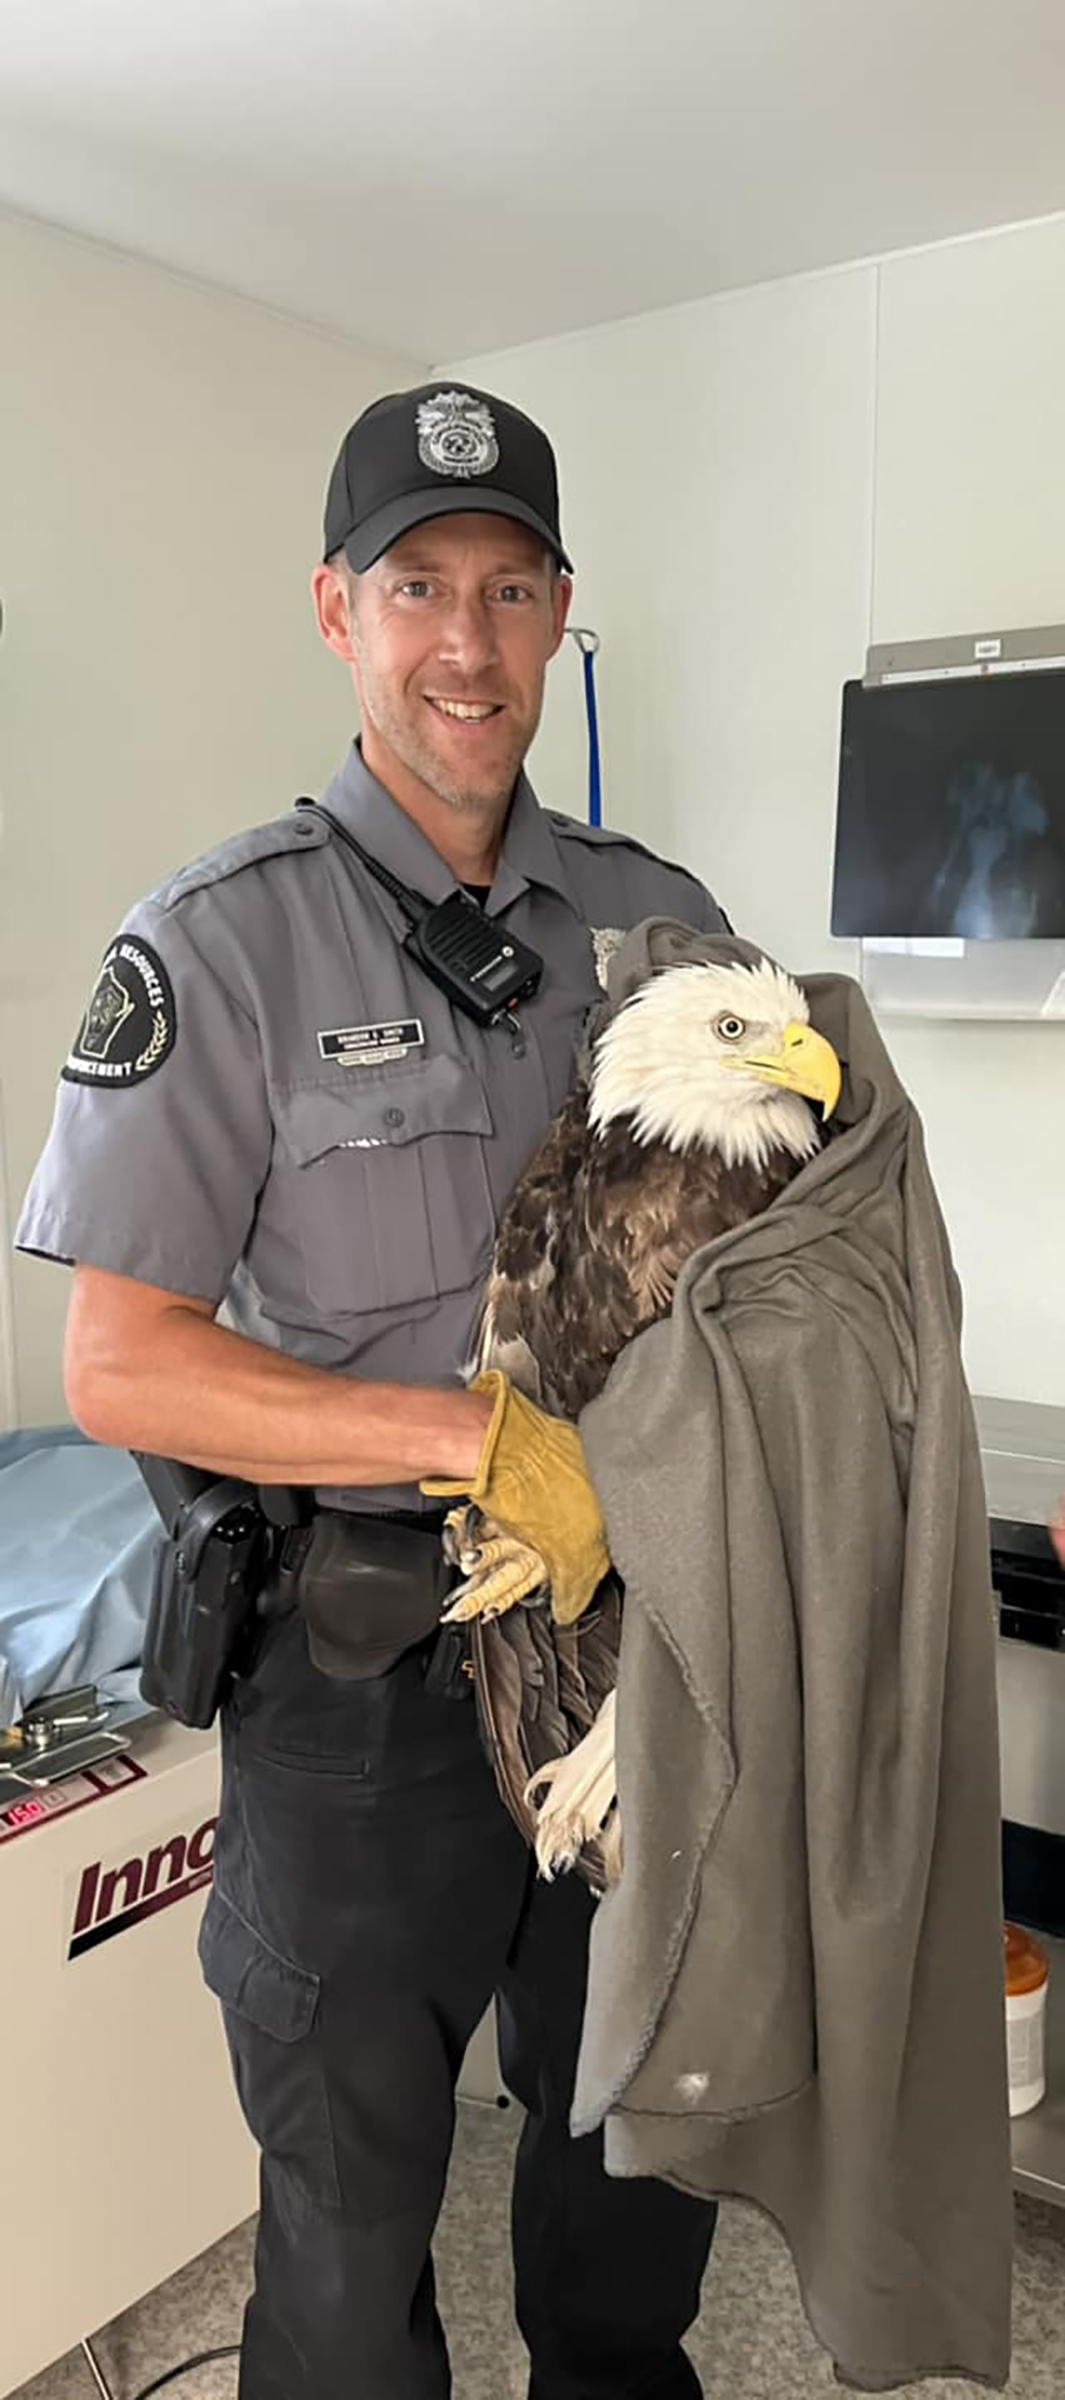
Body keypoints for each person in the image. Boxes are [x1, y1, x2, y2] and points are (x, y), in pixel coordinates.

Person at [16, 382, 727, 2400]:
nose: (465, 643)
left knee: (626, 2202)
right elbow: (122, 1362)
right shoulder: (217, 946)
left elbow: (759, 1258)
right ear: (336, 610)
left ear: (557, 613)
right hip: (362, 1682)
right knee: (342, 2263)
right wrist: (474, 1441)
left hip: (624, 1670)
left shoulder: (654, 927)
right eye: (417, 585)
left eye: (509, 590)